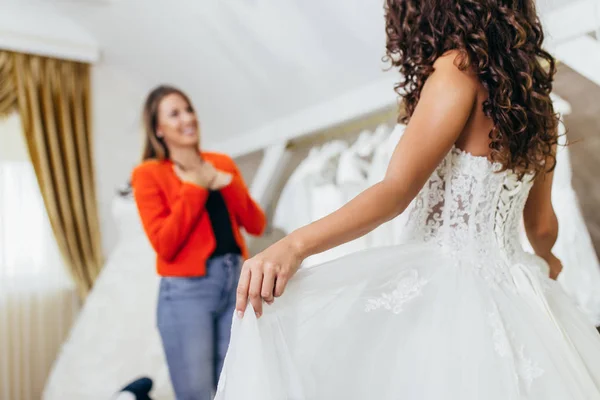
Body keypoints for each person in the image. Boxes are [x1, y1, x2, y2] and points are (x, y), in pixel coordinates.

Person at [216, 1, 600, 399]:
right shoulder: (539, 104)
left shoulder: (456, 70)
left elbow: (396, 191)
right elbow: (541, 227)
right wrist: (549, 262)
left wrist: (295, 245)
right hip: (520, 292)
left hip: (446, 286)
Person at [131, 85, 266, 400]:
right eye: (174, 114)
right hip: (187, 293)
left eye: (188, 109)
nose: (187, 118)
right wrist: (195, 187)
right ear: (158, 129)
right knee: (194, 394)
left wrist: (226, 183)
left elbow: (256, 224)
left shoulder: (221, 162)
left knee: (232, 385)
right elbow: (165, 244)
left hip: (234, 283)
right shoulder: (147, 174)